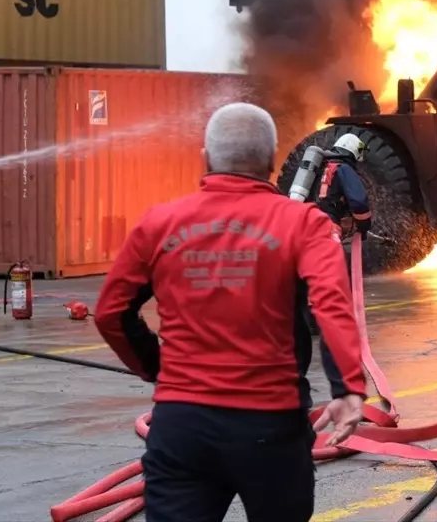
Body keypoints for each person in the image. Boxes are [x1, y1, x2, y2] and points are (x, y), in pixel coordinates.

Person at [93, 102, 368, 522]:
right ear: (274, 163)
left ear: (206, 158)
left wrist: (158, 368)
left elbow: (111, 313)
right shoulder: (305, 224)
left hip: (181, 426)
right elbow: (331, 303)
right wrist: (347, 389)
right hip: (271, 428)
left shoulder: (159, 223)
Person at [314, 132, 373, 240]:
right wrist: (363, 227)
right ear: (354, 152)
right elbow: (359, 202)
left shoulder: (318, 168)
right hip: (326, 226)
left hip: (305, 223)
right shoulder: (343, 169)